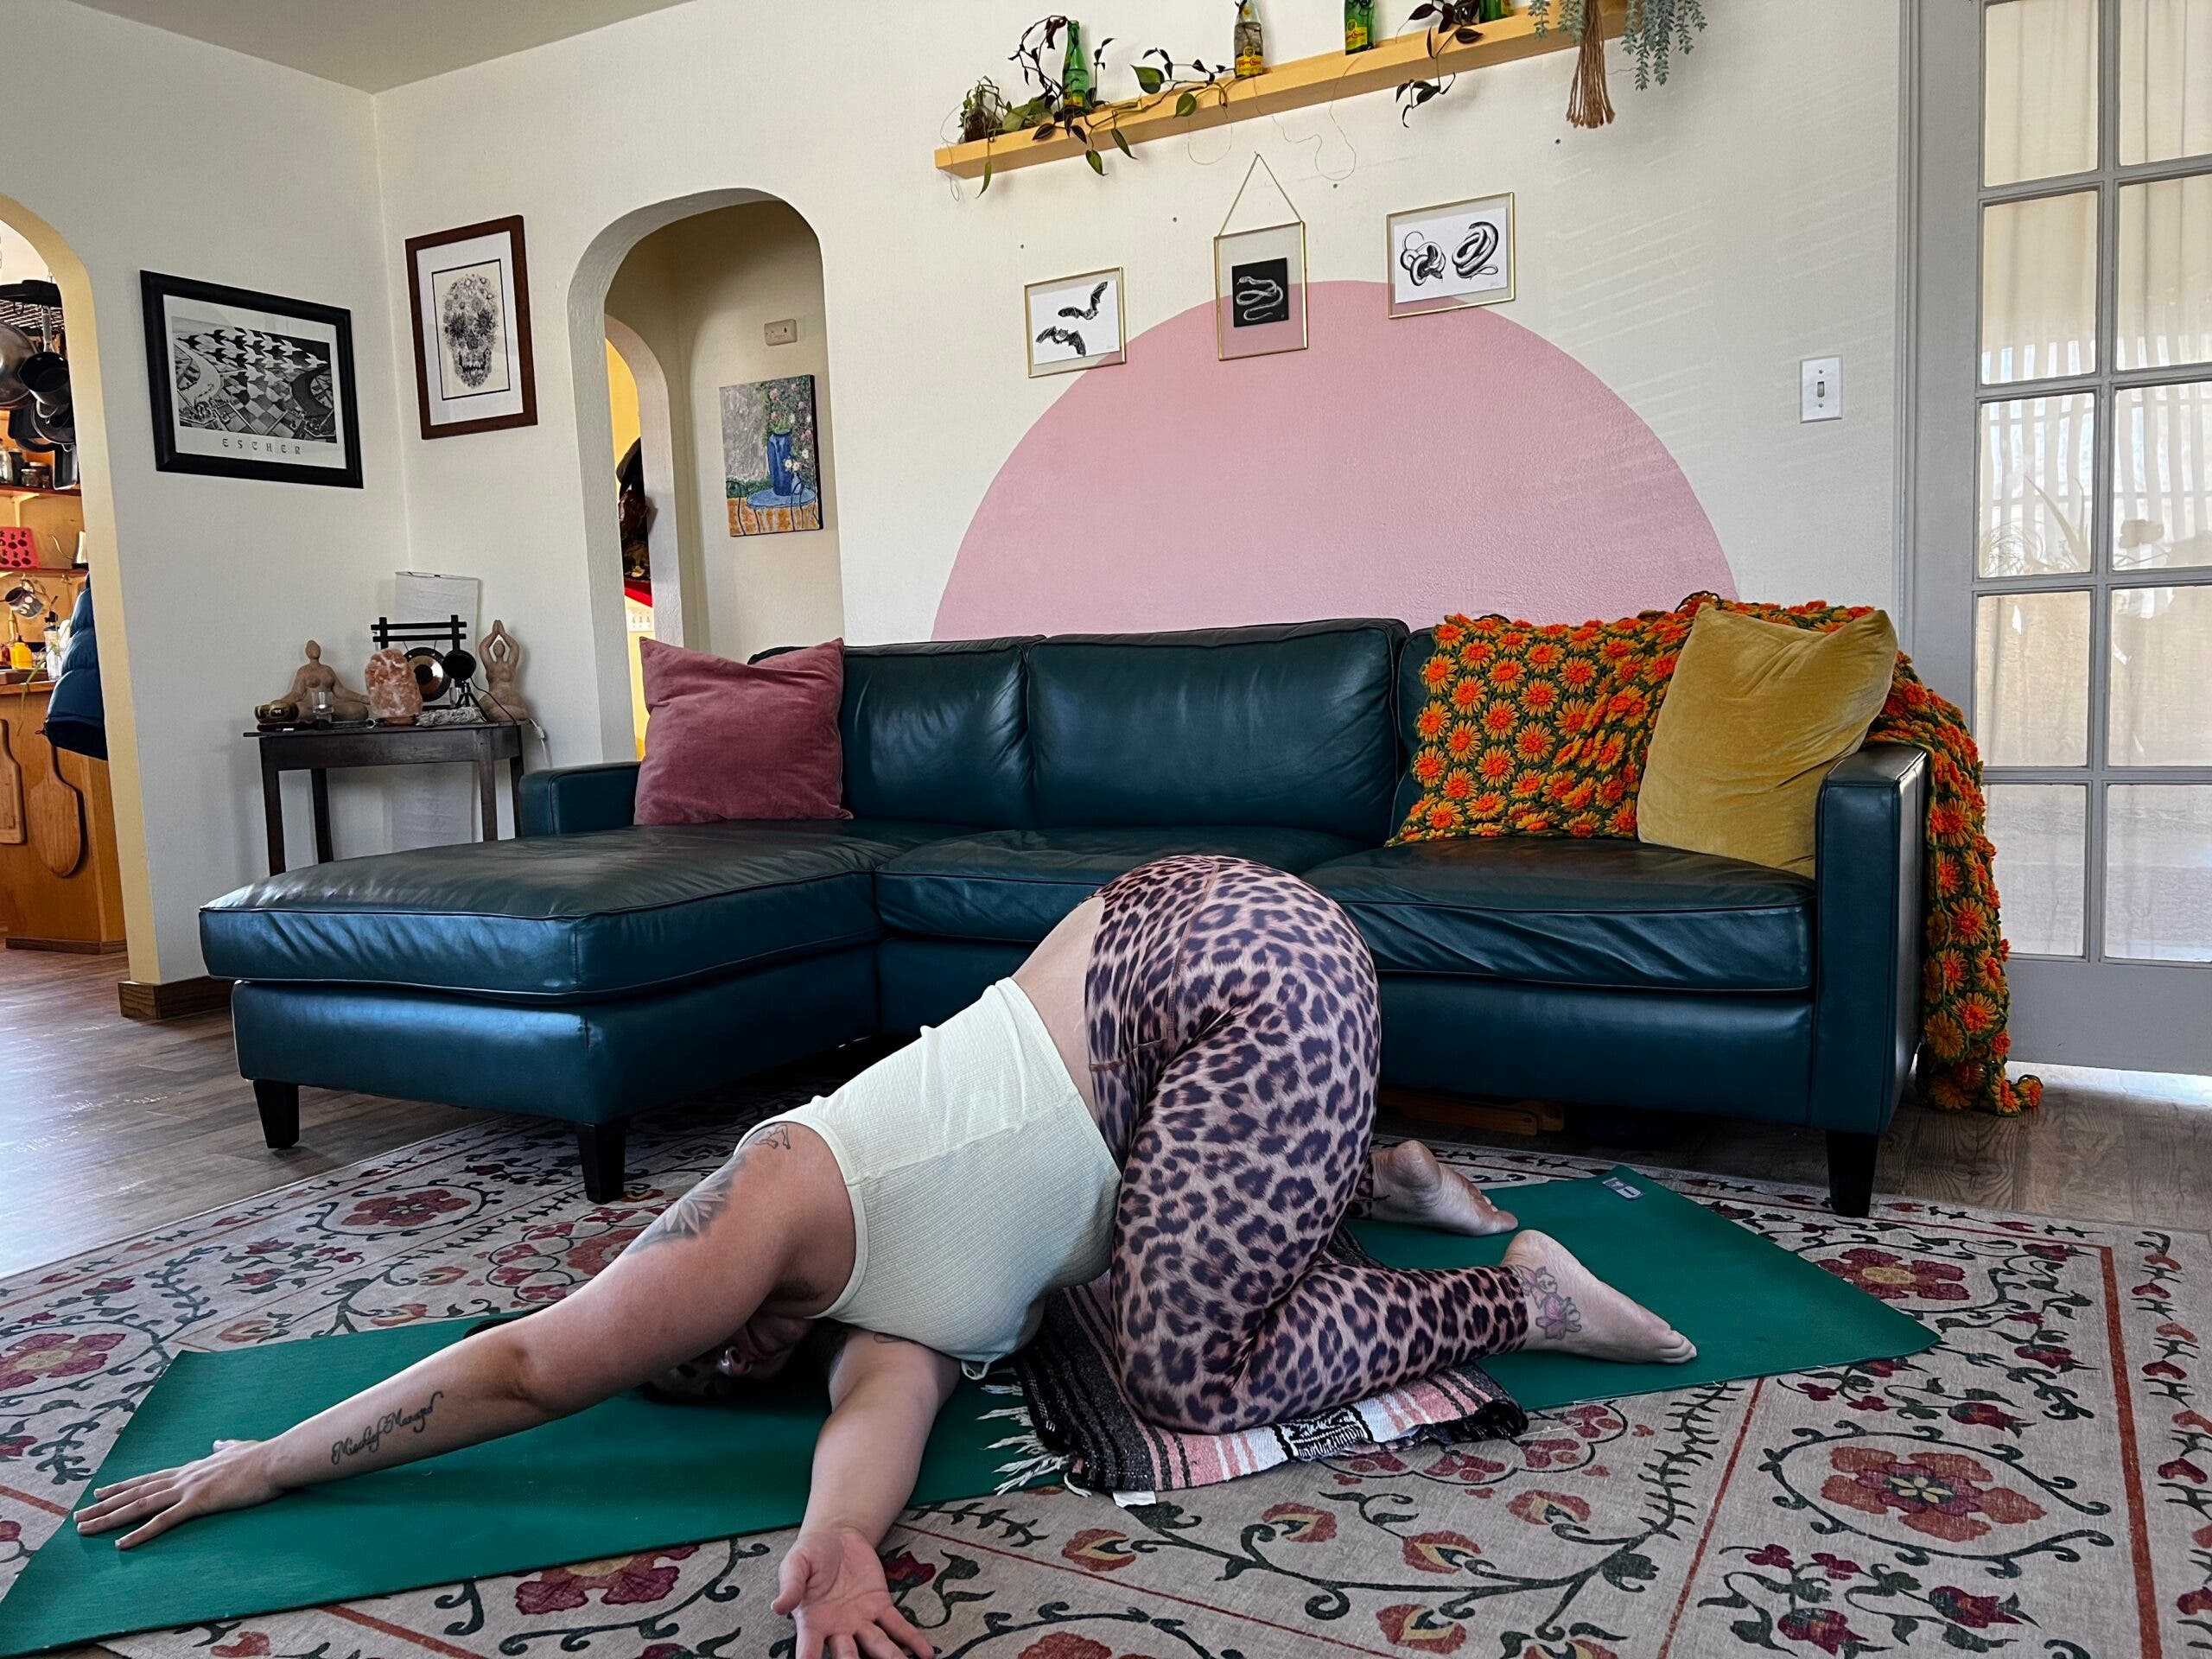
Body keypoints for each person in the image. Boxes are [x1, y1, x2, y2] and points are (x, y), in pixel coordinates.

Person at [76, 857, 1692, 1659]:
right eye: (726, 1374)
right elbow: (874, 1438)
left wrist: (272, 1463)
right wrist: (838, 1549)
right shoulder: (882, 1337)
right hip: (1194, 1028)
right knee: (1137, 1283)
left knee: (1176, 1368)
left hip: (1219, 967)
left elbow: (536, 1360)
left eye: (705, 1351)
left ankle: (1521, 1290)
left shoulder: (769, 1194)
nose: (725, 1361)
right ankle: (1367, 1170)